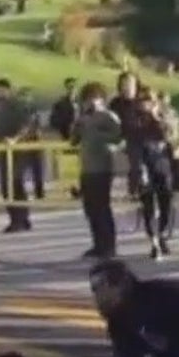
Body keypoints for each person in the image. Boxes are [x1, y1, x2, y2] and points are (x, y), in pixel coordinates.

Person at [70, 82, 122, 258]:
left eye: (95, 98)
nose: (91, 102)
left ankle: (109, 246)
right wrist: (77, 125)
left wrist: (97, 134)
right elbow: (73, 140)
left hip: (102, 167)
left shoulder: (108, 117)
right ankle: (98, 244)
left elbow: (118, 137)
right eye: (87, 99)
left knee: (102, 208)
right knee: (90, 209)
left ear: (102, 99)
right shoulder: (83, 119)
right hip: (87, 168)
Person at [134, 90, 175, 259]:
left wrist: (157, 116)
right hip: (144, 167)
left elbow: (170, 136)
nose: (146, 103)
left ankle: (163, 235)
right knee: (148, 206)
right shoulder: (136, 122)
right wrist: (139, 170)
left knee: (166, 205)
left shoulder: (164, 118)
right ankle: (154, 242)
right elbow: (133, 147)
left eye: (149, 100)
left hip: (163, 167)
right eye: (142, 100)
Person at [0, 79, 31, 233]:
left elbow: (26, 124)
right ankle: (20, 219)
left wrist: (15, 139)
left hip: (18, 150)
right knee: (9, 186)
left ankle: (19, 219)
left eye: (0, 90)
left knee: (14, 184)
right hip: (4, 150)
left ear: (7, 90)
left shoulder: (17, 105)